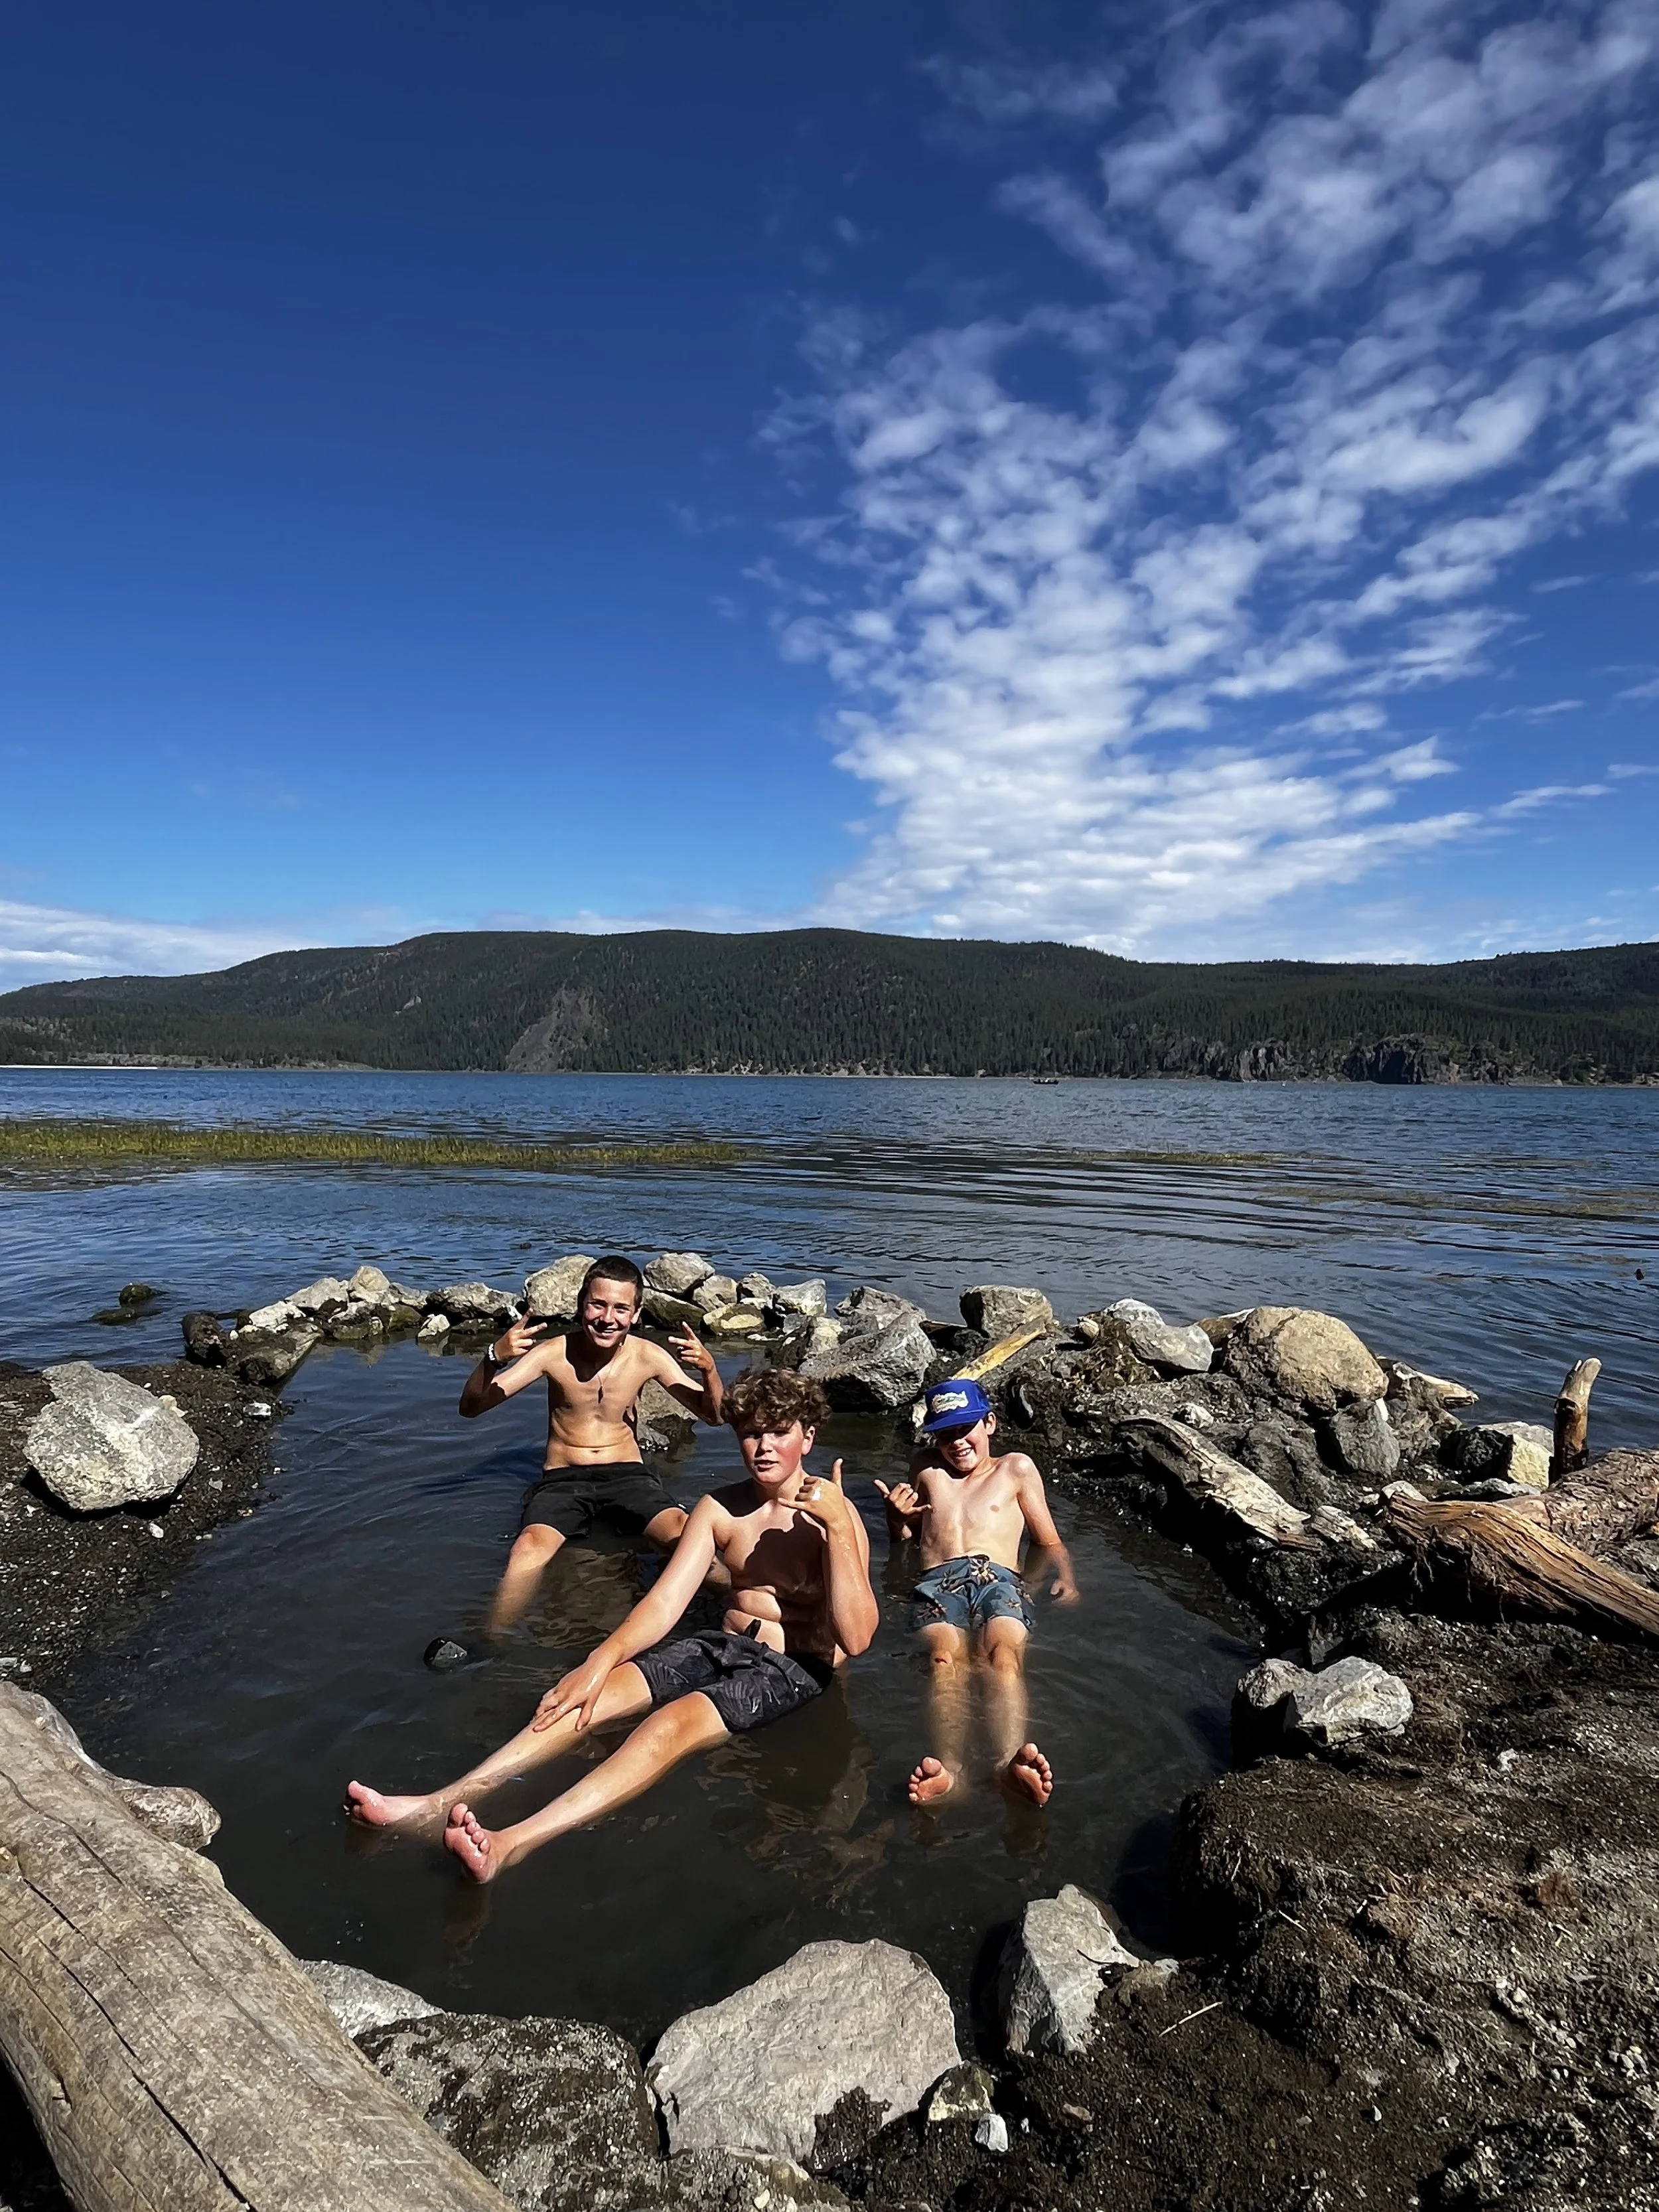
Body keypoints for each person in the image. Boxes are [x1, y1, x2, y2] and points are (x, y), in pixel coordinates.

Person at [346, 1368, 879, 1882]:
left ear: (808, 1437)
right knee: (578, 1698)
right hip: (723, 1643)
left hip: (793, 1666)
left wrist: (836, 1527)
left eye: (778, 1433)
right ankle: (436, 1804)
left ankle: (513, 1842)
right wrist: (597, 1662)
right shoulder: (720, 1507)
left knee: (668, 1724)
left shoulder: (834, 1514)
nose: (763, 1446)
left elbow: (856, 1637)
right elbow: (666, 1601)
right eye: (751, 1433)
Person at [459, 1254, 723, 1636]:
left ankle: (749, 1611)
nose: (607, 1318)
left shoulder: (648, 1356)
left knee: (687, 1536)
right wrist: (491, 1358)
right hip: (564, 1478)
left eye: (620, 1308)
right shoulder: (552, 1354)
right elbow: (471, 1408)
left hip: (627, 1474)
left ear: (636, 1313)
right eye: (598, 1304)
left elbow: (714, 1416)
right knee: (527, 1549)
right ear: (583, 1303)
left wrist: (710, 1370)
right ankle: (493, 1640)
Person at [877, 1376, 1076, 1809]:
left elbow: (1049, 1540)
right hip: (936, 1580)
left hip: (998, 1578)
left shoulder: (1015, 1469)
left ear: (990, 1423)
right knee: (943, 1659)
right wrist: (895, 1520)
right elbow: (908, 1542)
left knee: (1002, 1655)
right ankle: (952, 1770)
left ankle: (1008, 1765)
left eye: (965, 1428)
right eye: (945, 1433)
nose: (956, 1442)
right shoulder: (925, 1468)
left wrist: (1067, 1577)